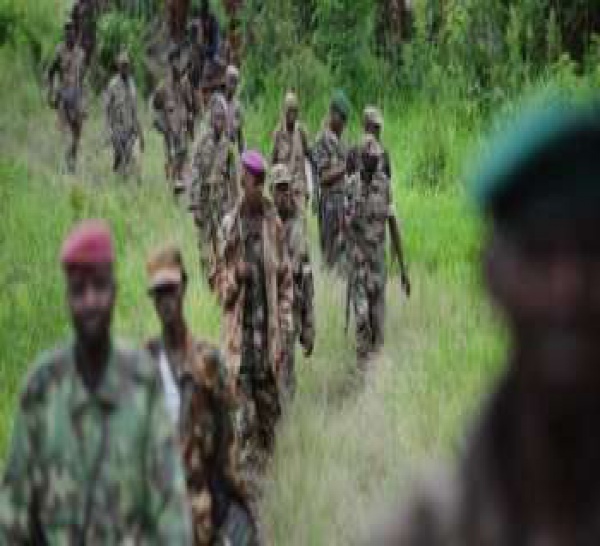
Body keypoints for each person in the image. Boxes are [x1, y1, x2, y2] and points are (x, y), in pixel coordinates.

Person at [370, 103, 600, 544]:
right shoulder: (424, 532)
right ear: (492, 275)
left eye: (592, 251)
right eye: (539, 252)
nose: (567, 290)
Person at [0, 220, 192, 543]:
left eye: (99, 287)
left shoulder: (141, 383)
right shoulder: (42, 388)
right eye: (79, 290)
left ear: (115, 292)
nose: (90, 301)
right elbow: (13, 516)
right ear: (67, 298)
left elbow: (170, 513)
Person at [145, 245, 257, 545]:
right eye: (159, 293)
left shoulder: (209, 361)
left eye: (170, 289)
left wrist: (233, 503)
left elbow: (226, 443)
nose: (166, 300)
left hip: (207, 507)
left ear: (183, 286)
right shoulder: (142, 368)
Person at [214, 150, 293, 516]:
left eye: (254, 183)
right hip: (240, 349)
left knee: (270, 425)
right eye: (247, 182)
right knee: (243, 430)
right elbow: (218, 287)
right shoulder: (229, 227)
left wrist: (286, 328)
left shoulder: (273, 224)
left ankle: (272, 499)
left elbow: (286, 280)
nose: (250, 188)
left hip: (269, 346)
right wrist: (235, 279)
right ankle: (250, 513)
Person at [345, 135, 410, 370]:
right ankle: (363, 372)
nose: (374, 163)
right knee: (362, 320)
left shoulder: (385, 186)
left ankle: (375, 376)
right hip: (359, 265)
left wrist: (403, 269)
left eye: (377, 159)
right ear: (362, 159)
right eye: (370, 158)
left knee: (378, 325)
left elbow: (394, 226)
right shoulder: (351, 186)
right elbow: (345, 227)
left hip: (378, 267)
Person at [271, 163, 315, 401]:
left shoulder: (298, 227)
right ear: (271, 191)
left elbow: (306, 279)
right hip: (264, 316)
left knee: (287, 375)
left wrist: (309, 325)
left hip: (289, 313)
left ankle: (287, 425)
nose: (284, 193)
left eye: (287, 188)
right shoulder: (263, 225)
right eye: (279, 188)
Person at [189, 94, 239, 278]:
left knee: (222, 247)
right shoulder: (201, 142)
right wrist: (194, 205)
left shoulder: (229, 147)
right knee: (203, 248)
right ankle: (205, 281)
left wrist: (234, 209)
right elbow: (194, 173)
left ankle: (220, 284)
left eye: (223, 118)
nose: (220, 121)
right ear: (211, 117)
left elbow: (233, 181)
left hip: (221, 204)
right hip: (203, 203)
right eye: (217, 117)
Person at [313, 90, 351, 271]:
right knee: (329, 255)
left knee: (343, 254)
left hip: (342, 205)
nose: (344, 123)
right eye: (341, 118)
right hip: (329, 205)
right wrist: (346, 167)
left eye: (345, 119)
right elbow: (323, 177)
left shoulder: (341, 141)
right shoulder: (322, 140)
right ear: (333, 113)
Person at [152, 46, 196, 188]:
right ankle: (171, 191)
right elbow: (155, 108)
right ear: (171, 63)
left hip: (182, 132)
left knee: (183, 162)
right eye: (175, 61)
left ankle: (182, 188)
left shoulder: (185, 85)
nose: (179, 65)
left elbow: (191, 108)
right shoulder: (163, 87)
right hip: (170, 133)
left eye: (180, 61)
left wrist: (191, 128)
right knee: (171, 163)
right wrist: (163, 127)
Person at [47, 20, 87, 173]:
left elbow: (82, 79)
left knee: (77, 137)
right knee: (68, 136)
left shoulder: (81, 53)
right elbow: (50, 72)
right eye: (66, 30)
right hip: (63, 99)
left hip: (76, 99)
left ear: (75, 33)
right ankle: (67, 166)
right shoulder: (59, 51)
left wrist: (84, 102)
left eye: (72, 30)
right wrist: (50, 93)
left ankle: (72, 165)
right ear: (64, 33)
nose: (69, 33)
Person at [104, 51, 144, 176]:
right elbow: (107, 109)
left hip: (131, 129)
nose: (125, 68)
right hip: (118, 129)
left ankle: (129, 184)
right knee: (120, 160)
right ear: (118, 66)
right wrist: (109, 130)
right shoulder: (113, 84)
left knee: (134, 161)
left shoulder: (132, 83)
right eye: (122, 65)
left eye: (127, 65)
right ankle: (118, 182)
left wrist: (141, 133)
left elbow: (135, 110)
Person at [272, 91, 312, 212]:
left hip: (298, 189)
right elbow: (273, 162)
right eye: (290, 110)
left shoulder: (301, 132)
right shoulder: (278, 133)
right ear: (284, 111)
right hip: (283, 190)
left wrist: (310, 189)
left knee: (299, 227)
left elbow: (310, 158)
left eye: (295, 111)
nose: (292, 115)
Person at [363, 105, 392, 179]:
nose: (378, 131)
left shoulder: (383, 152)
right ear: (366, 126)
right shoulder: (355, 150)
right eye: (375, 127)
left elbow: (388, 178)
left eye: (379, 127)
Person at [224, 65, 244, 153]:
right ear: (225, 81)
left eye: (235, 83)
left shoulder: (237, 106)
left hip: (230, 147)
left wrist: (242, 151)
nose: (233, 86)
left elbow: (240, 131)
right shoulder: (218, 101)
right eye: (231, 81)